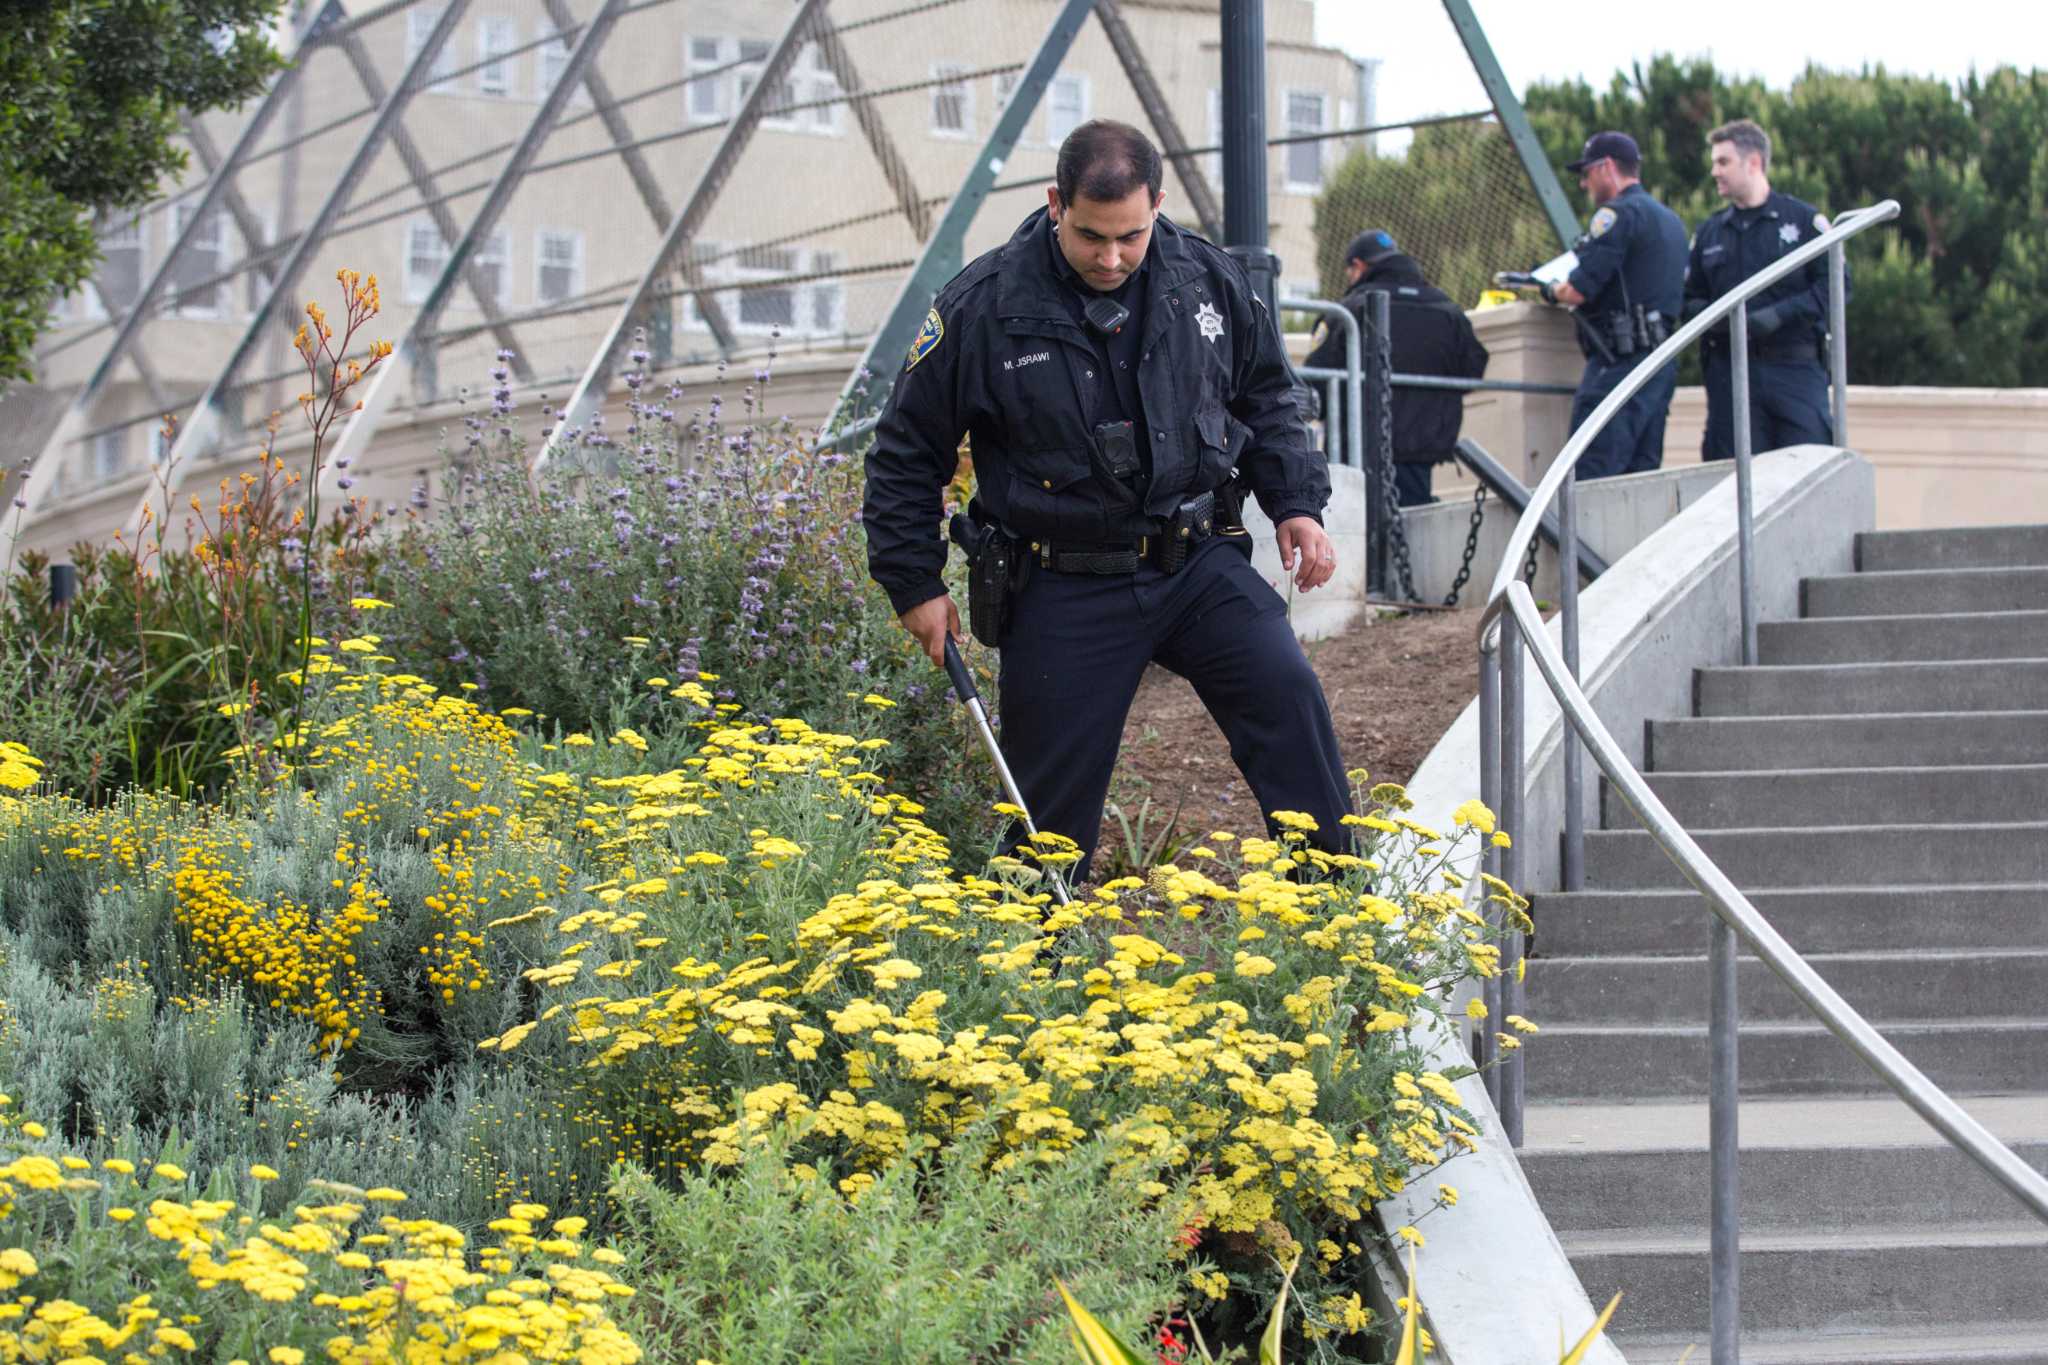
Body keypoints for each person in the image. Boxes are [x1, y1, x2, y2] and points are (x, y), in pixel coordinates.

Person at [862, 119, 1353, 876]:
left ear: (1157, 204)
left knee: (1288, 697)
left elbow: (1269, 396)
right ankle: (1035, 941)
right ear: (1056, 203)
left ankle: (1338, 907)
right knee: (1046, 827)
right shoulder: (982, 305)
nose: (1112, 257)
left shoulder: (1209, 280)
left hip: (1197, 561)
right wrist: (914, 583)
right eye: (1091, 236)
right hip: (1062, 581)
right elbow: (904, 452)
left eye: (1131, 235)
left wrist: (1296, 503)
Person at [1684, 118, 1842, 460]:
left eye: (1723, 162)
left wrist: (1778, 316)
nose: (1714, 171)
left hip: (1794, 371)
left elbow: (1836, 287)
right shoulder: (1710, 233)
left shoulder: (1803, 222)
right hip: (1731, 376)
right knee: (1729, 478)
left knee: (1806, 470)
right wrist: (1722, 321)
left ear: (1753, 162)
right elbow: (1689, 300)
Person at [1304, 228, 1489, 506]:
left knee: (1356, 521)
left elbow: (1315, 380)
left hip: (1358, 449)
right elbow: (1473, 370)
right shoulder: (1447, 309)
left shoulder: (1348, 310)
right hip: (1422, 450)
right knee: (1413, 520)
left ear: (1358, 266)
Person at [1543, 131, 1689, 479]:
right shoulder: (1670, 220)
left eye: (1586, 173)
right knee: (1642, 477)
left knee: (1592, 472)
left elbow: (1577, 291)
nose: (1584, 184)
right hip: (1660, 363)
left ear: (1606, 167)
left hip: (1619, 362)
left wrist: (1550, 289)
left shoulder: (1616, 215)